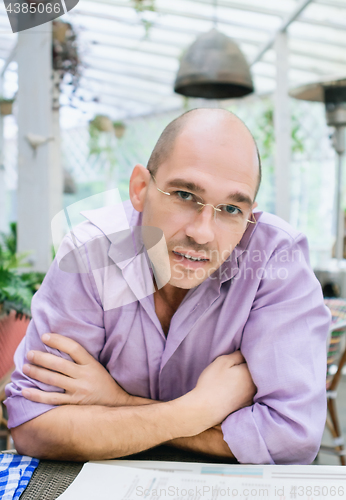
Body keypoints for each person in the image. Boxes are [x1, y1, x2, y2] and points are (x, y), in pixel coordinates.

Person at [5, 108, 330, 465]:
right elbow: (33, 426)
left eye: (230, 209)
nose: (202, 233)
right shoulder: (91, 251)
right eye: (185, 196)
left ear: (250, 213)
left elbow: (291, 438)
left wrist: (118, 403)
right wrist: (192, 413)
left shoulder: (274, 258)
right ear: (141, 189)